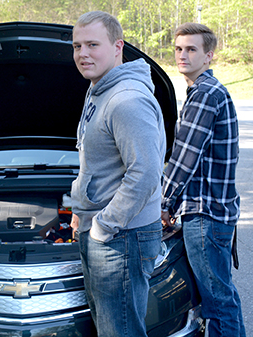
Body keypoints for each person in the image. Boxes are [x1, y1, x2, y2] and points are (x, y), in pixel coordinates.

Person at [70, 11, 166, 336]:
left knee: (119, 332)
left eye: (92, 44)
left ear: (117, 46)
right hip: (106, 231)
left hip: (122, 237)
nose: (83, 54)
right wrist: (79, 212)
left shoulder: (126, 100)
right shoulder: (98, 89)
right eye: (77, 46)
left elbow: (146, 173)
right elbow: (94, 162)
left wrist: (102, 225)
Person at [161, 22, 245, 336]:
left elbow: (184, 158)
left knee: (217, 302)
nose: (183, 55)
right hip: (214, 212)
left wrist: (164, 203)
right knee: (222, 297)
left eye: (192, 49)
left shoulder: (205, 94)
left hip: (205, 214)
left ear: (208, 55)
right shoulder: (207, 90)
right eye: (179, 49)